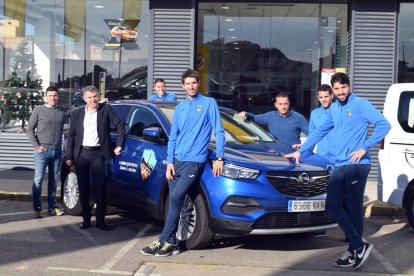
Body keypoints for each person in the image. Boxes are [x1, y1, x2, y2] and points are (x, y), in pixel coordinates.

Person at [285, 72, 390, 270]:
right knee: (332, 204)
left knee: (354, 208)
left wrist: (365, 147)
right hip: (340, 164)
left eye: (344, 88)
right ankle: (359, 246)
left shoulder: (360, 104)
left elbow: (384, 124)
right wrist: (302, 152)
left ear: (349, 86)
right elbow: (319, 131)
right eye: (337, 89)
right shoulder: (334, 109)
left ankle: (353, 250)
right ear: (332, 91)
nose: (341, 92)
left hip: (357, 165)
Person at [141, 69, 225, 257]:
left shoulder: (209, 103)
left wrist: (220, 157)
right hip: (176, 161)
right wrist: (170, 161)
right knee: (173, 201)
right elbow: (173, 137)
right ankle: (169, 242)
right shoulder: (179, 107)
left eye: (193, 83)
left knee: (177, 196)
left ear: (198, 84)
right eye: (187, 83)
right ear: (182, 86)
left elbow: (219, 131)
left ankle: (163, 240)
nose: (191, 86)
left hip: (194, 161)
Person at [65, 85, 125, 231]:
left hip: (98, 154)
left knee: (100, 187)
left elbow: (120, 125)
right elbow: (71, 135)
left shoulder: (106, 109)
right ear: (85, 99)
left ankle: (100, 220)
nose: (93, 100)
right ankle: (86, 219)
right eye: (90, 97)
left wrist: (119, 145)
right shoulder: (77, 113)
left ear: (98, 96)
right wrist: (69, 155)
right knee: (83, 187)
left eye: (95, 97)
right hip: (82, 154)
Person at [26, 86, 66, 218]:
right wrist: (36, 146)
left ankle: (51, 207)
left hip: (57, 152)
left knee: (53, 181)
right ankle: (37, 208)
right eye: (50, 96)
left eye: (55, 95)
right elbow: (30, 129)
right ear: (45, 96)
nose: (52, 98)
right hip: (42, 152)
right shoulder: (38, 110)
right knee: (38, 180)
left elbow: (79, 113)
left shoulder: (61, 111)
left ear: (58, 97)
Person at [239, 92, 308, 149]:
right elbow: (254, 117)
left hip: (294, 154)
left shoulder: (299, 118)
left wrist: (304, 146)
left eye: (285, 104)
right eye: (280, 104)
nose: (283, 107)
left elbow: (312, 134)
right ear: (276, 105)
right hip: (276, 155)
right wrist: (245, 113)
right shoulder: (270, 116)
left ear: (289, 104)